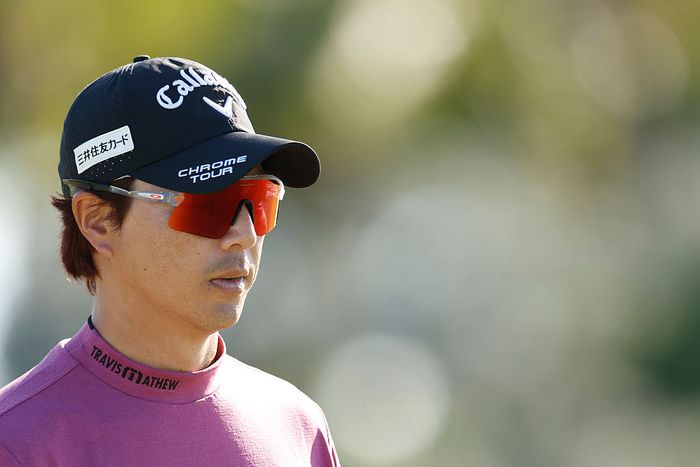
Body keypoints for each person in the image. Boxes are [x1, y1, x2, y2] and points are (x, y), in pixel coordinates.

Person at [0, 56, 340, 466]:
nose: (245, 234)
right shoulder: (17, 443)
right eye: (208, 203)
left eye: (259, 200)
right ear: (98, 221)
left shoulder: (298, 426)